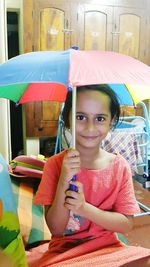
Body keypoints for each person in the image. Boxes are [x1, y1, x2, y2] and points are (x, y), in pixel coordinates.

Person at [27, 84, 150, 267]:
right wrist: (64, 179)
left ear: (112, 121)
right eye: (81, 117)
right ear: (67, 120)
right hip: (65, 254)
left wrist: (84, 208)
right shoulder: (54, 165)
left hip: (108, 249)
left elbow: (125, 224)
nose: (90, 127)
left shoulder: (119, 167)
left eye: (100, 118)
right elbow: (56, 228)